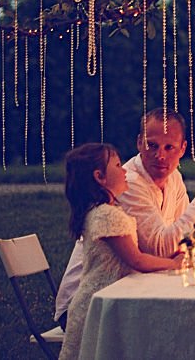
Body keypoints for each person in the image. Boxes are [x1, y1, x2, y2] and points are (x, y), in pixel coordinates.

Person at [55, 109, 195, 327]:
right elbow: (160, 248)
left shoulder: (174, 177)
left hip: (131, 287)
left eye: (169, 147)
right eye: (152, 145)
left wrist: (179, 250)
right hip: (91, 302)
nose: (160, 156)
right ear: (139, 143)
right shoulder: (127, 182)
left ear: (182, 149)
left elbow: (185, 242)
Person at [58, 143, 183, 360]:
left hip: (109, 299)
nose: (124, 170)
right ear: (100, 177)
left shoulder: (103, 211)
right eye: (117, 165)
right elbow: (137, 260)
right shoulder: (108, 216)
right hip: (98, 306)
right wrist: (175, 264)